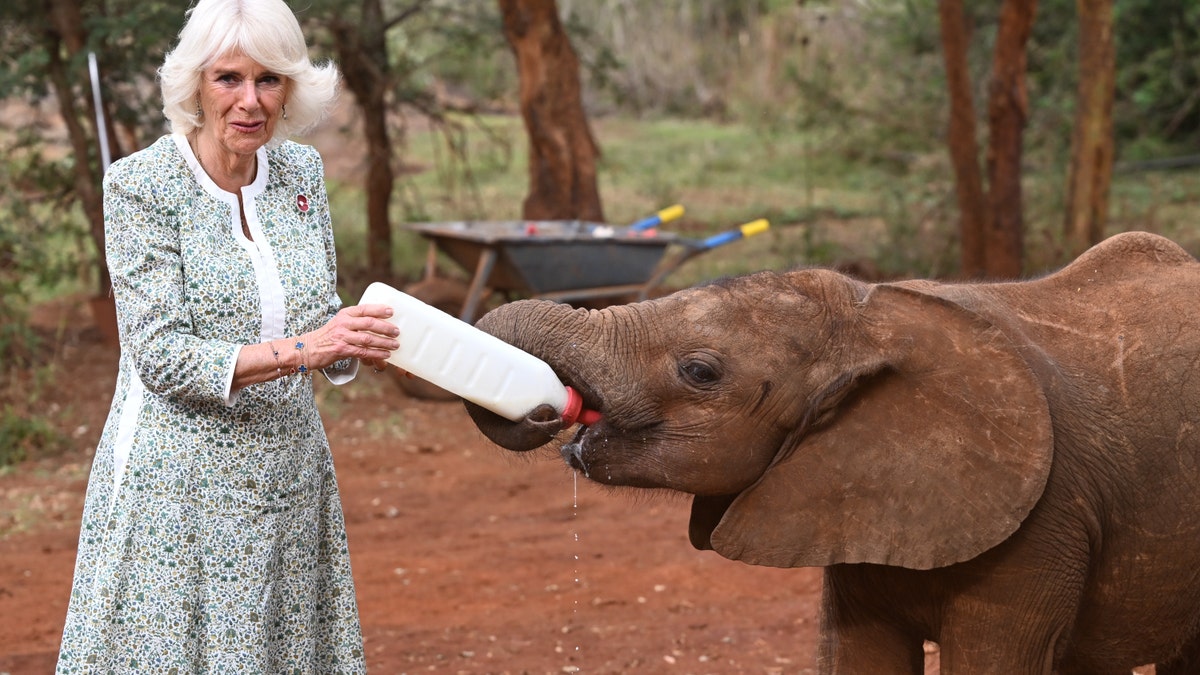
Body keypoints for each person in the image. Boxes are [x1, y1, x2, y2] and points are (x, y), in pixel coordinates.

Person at [56, 0, 398, 672]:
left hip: (291, 475)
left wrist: (361, 339)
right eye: (228, 79)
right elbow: (160, 355)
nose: (250, 101)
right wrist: (309, 350)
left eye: (268, 80)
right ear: (195, 85)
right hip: (177, 491)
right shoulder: (140, 186)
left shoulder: (301, 174)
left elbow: (318, 310)